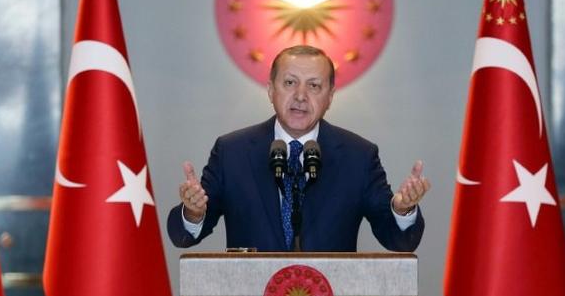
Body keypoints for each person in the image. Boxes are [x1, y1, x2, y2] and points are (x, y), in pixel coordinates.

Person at [167, 45, 430, 252]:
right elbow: (185, 236)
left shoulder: (358, 156)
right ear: (271, 90)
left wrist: (403, 209)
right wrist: (193, 212)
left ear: (329, 96)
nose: (301, 96)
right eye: (290, 83)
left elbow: (398, 240)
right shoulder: (231, 152)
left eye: (314, 85)